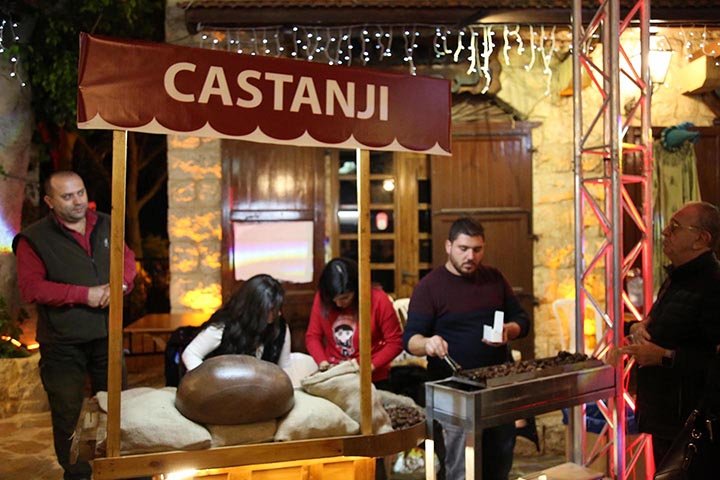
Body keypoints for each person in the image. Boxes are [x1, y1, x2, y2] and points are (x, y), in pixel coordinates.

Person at [13, 170, 136, 480]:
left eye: (80, 192)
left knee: (117, 406)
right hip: (62, 343)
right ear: (49, 201)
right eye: (67, 196)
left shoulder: (107, 223)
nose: (77, 201)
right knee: (68, 411)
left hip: (107, 335)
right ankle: (78, 473)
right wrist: (85, 295)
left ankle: (121, 469)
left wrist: (121, 284)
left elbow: (127, 260)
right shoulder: (34, 238)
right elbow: (31, 288)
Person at [403, 217, 530, 480]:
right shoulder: (430, 286)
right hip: (452, 387)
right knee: (459, 467)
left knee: (499, 460)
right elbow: (410, 340)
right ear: (448, 246)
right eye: (463, 249)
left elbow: (522, 320)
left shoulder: (494, 278)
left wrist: (509, 331)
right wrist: (428, 343)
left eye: (477, 249)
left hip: (495, 383)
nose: (471, 256)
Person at [621, 201, 720, 466]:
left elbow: (712, 361)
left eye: (675, 227)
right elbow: (670, 327)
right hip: (665, 416)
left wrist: (664, 356)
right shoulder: (677, 278)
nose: (665, 232)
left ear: (701, 239)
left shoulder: (713, 284)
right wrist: (639, 327)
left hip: (693, 423)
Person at [305, 257, 403, 387]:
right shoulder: (323, 298)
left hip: (373, 376)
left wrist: (369, 368)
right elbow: (313, 336)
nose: (338, 304)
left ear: (357, 289)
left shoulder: (378, 299)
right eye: (333, 299)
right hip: (335, 374)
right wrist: (323, 363)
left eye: (345, 298)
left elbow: (396, 342)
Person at [182, 274, 291, 372]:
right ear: (254, 308)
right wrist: (208, 381)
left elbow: (284, 368)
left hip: (262, 386)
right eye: (271, 310)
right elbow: (191, 353)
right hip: (223, 385)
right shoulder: (224, 326)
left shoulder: (280, 328)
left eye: (278, 308)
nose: (278, 314)